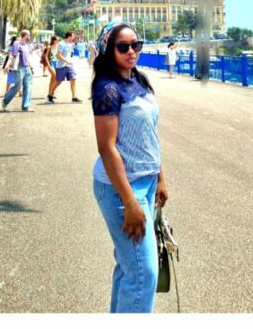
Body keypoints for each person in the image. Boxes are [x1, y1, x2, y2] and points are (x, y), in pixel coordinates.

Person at [91, 21, 166, 313]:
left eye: (137, 45)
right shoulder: (107, 89)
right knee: (144, 273)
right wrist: (130, 200)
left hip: (146, 182)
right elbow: (107, 148)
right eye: (124, 47)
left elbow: (150, 134)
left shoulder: (138, 80)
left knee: (129, 267)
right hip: (121, 187)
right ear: (109, 49)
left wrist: (160, 178)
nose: (132, 51)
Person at [2, 31, 34, 112]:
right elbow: (12, 55)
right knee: (17, 86)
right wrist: (7, 65)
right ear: (25, 35)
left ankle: (25, 106)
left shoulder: (26, 45)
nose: (29, 36)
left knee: (28, 86)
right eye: (29, 35)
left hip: (26, 68)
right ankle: (5, 101)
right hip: (19, 68)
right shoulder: (17, 43)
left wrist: (31, 67)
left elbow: (27, 57)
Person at [50, 31, 81, 103]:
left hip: (69, 66)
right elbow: (58, 55)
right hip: (61, 66)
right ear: (69, 37)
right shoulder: (61, 44)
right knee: (58, 82)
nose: (73, 38)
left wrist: (70, 61)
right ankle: (50, 95)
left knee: (73, 79)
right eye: (73, 36)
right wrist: (67, 61)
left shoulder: (69, 44)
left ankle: (74, 97)